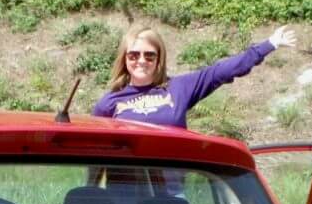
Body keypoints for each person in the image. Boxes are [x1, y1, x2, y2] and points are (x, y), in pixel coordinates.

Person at [92, 25, 296, 128]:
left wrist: (269, 44)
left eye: (149, 55)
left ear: (159, 58)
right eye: (134, 55)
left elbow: (222, 71)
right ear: (125, 59)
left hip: (170, 192)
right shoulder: (108, 102)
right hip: (124, 192)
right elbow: (94, 153)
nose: (141, 61)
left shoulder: (179, 88)